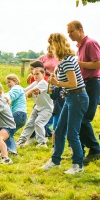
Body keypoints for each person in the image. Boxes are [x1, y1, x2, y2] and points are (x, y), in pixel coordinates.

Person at [41, 33, 89, 174]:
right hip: (71, 97)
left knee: (72, 134)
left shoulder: (67, 61)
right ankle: (55, 161)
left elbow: (72, 83)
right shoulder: (66, 60)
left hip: (77, 97)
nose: (50, 48)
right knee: (59, 131)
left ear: (57, 45)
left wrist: (57, 82)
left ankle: (77, 165)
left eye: (52, 45)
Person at [67, 20, 100, 165]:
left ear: (80, 29)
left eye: (71, 31)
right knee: (79, 119)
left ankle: (95, 150)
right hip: (84, 84)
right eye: (68, 32)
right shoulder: (80, 47)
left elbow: (98, 63)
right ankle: (82, 150)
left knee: (84, 118)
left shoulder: (90, 43)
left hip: (92, 83)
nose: (69, 35)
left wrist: (78, 63)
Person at [17, 67, 53, 148]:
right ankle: (21, 141)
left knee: (38, 123)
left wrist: (26, 95)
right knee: (29, 124)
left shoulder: (43, 83)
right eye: (34, 74)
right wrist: (16, 88)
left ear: (43, 74)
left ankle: (42, 143)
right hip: (37, 107)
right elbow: (25, 90)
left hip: (47, 108)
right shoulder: (35, 83)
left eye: (37, 74)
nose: (35, 76)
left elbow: (32, 90)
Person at [39, 46, 60, 137]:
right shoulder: (43, 57)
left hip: (55, 82)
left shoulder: (58, 58)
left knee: (53, 105)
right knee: (46, 104)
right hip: (45, 82)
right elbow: (37, 68)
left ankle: (47, 127)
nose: (50, 51)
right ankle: (46, 128)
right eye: (49, 49)